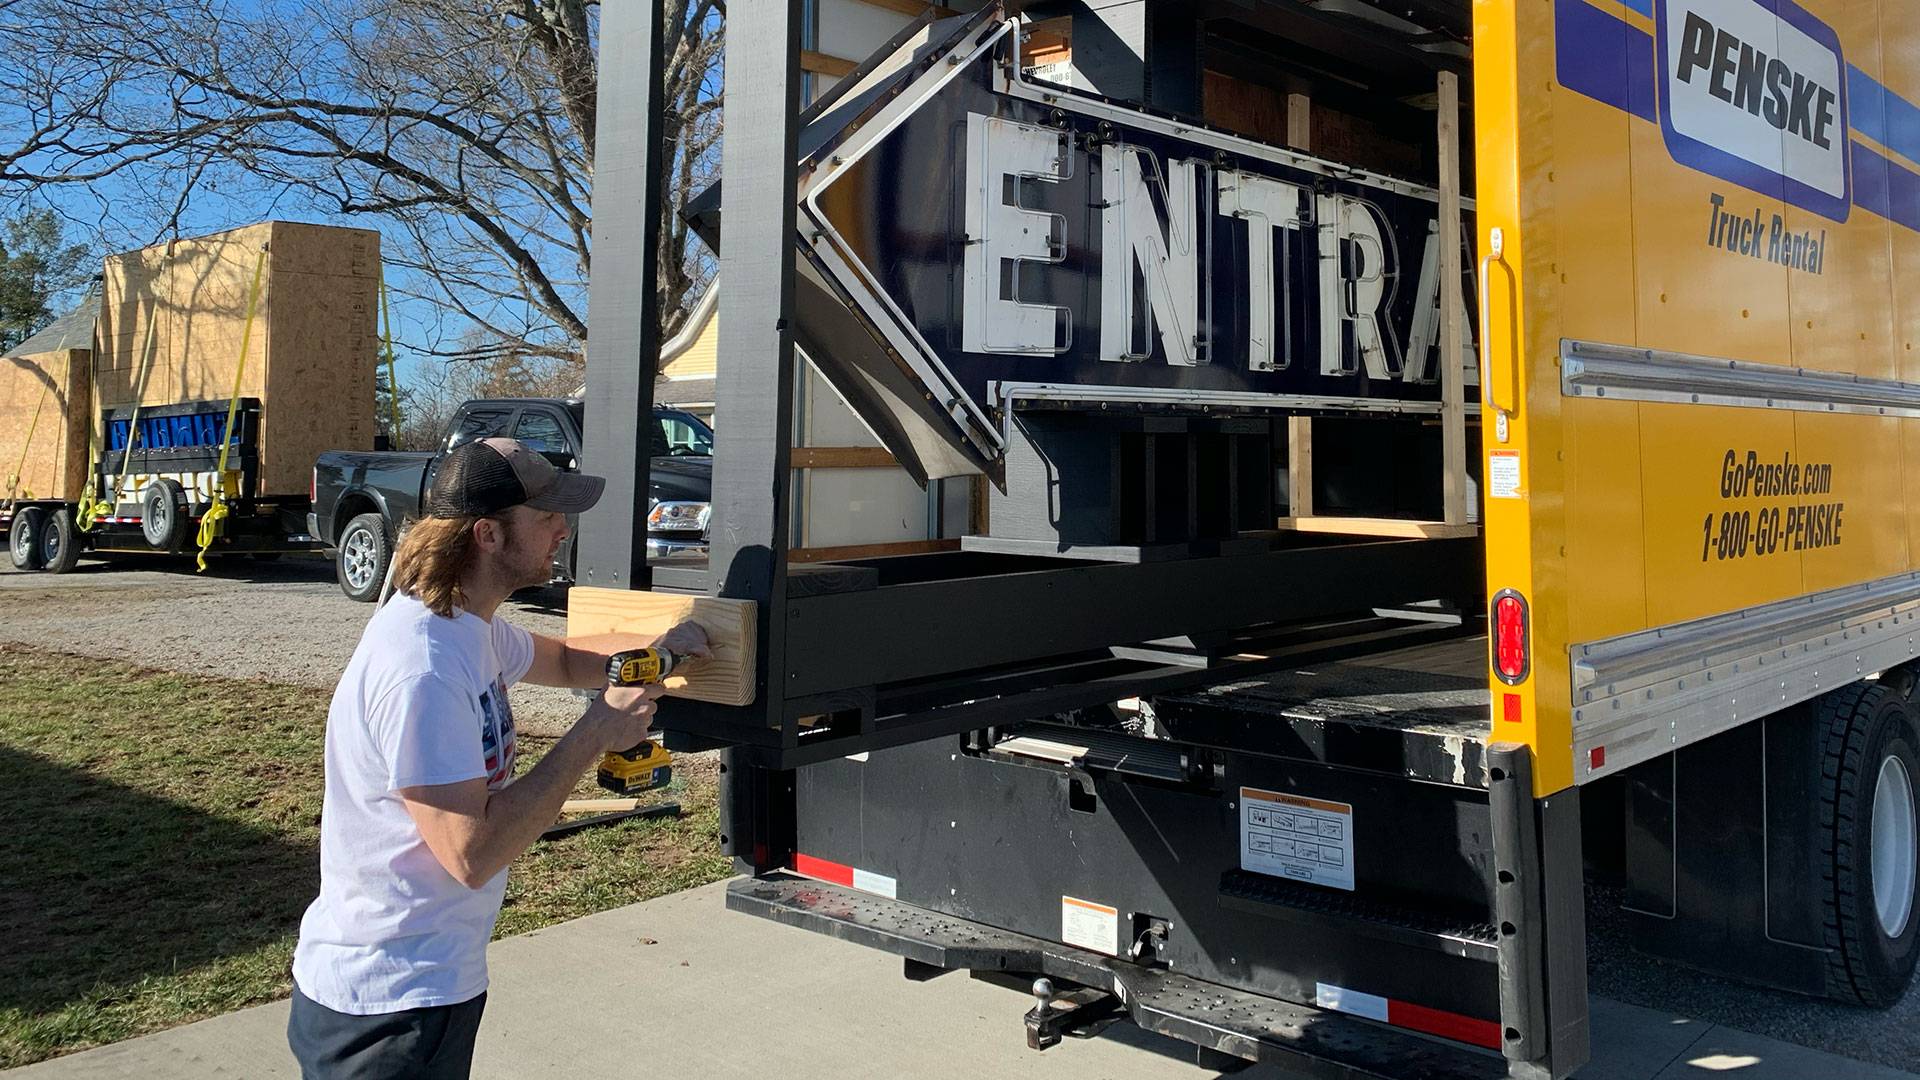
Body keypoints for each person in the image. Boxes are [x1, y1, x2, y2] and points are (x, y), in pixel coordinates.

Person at [287, 437, 708, 1079]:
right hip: (387, 1011)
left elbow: (568, 661)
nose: (563, 529)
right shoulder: (423, 668)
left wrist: (664, 651)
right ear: (486, 534)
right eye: (545, 518)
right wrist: (597, 729)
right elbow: (471, 853)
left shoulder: (466, 623)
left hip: (426, 988)